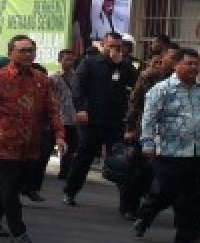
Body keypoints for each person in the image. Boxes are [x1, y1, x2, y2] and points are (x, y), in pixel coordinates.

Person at [0, 35, 65, 243]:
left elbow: (53, 109)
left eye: (30, 50)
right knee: (10, 185)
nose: (27, 55)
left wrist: (60, 135)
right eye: (22, 50)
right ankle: (18, 230)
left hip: (32, 142)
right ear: (11, 52)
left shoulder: (42, 79)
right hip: (5, 141)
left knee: (19, 185)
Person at [133, 48, 200, 243]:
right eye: (189, 63)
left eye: (196, 64)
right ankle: (145, 216)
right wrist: (147, 143)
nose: (193, 67)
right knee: (166, 190)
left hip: (199, 151)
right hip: (170, 150)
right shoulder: (162, 89)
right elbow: (149, 119)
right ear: (177, 65)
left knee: (196, 195)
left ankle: (188, 234)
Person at [64, 31, 137, 206]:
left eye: (119, 47)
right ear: (103, 45)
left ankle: (126, 204)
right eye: (111, 46)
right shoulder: (89, 63)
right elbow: (78, 87)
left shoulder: (126, 65)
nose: (115, 50)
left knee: (122, 161)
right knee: (84, 157)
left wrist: (123, 66)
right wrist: (80, 109)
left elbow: (136, 85)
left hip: (116, 120)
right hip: (92, 119)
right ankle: (70, 191)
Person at [121, 44, 179, 219]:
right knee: (137, 171)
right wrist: (130, 128)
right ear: (164, 57)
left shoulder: (181, 80)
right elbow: (135, 102)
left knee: (164, 174)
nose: (175, 62)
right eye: (173, 58)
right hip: (144, 130)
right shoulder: (150, 76)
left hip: (169, 133)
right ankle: (129, 207)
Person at [48, 49, 80, 184]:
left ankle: (65, 170)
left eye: (72, 59)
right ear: (60, 60)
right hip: (59, 116)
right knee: (54, 143)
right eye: (66, 59)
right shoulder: (54, 78)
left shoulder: (78, 77)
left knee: (71, 146)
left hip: (73, 117)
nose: (69, 62)